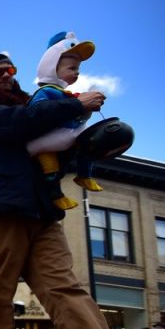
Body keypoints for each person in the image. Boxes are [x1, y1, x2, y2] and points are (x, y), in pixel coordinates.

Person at [0, 51, 159, 329]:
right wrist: (77, 105)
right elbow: (20, 122)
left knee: (67, 288)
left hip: (43, 214)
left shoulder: (36, 111)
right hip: (1, 210)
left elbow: (54, 150)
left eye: (10, 71)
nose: (5, 77)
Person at [25, 31, 103, 211]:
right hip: (46, 141)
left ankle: (85, 175)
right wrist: (77, 104)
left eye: (77, 69)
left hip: (68, 134)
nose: (76, 73)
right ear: (52, 67)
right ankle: (56, 195)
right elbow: (38, 113)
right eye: (71, 68)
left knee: (88, 141)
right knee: (49, 164)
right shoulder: (46, 92)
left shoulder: (66, 94)